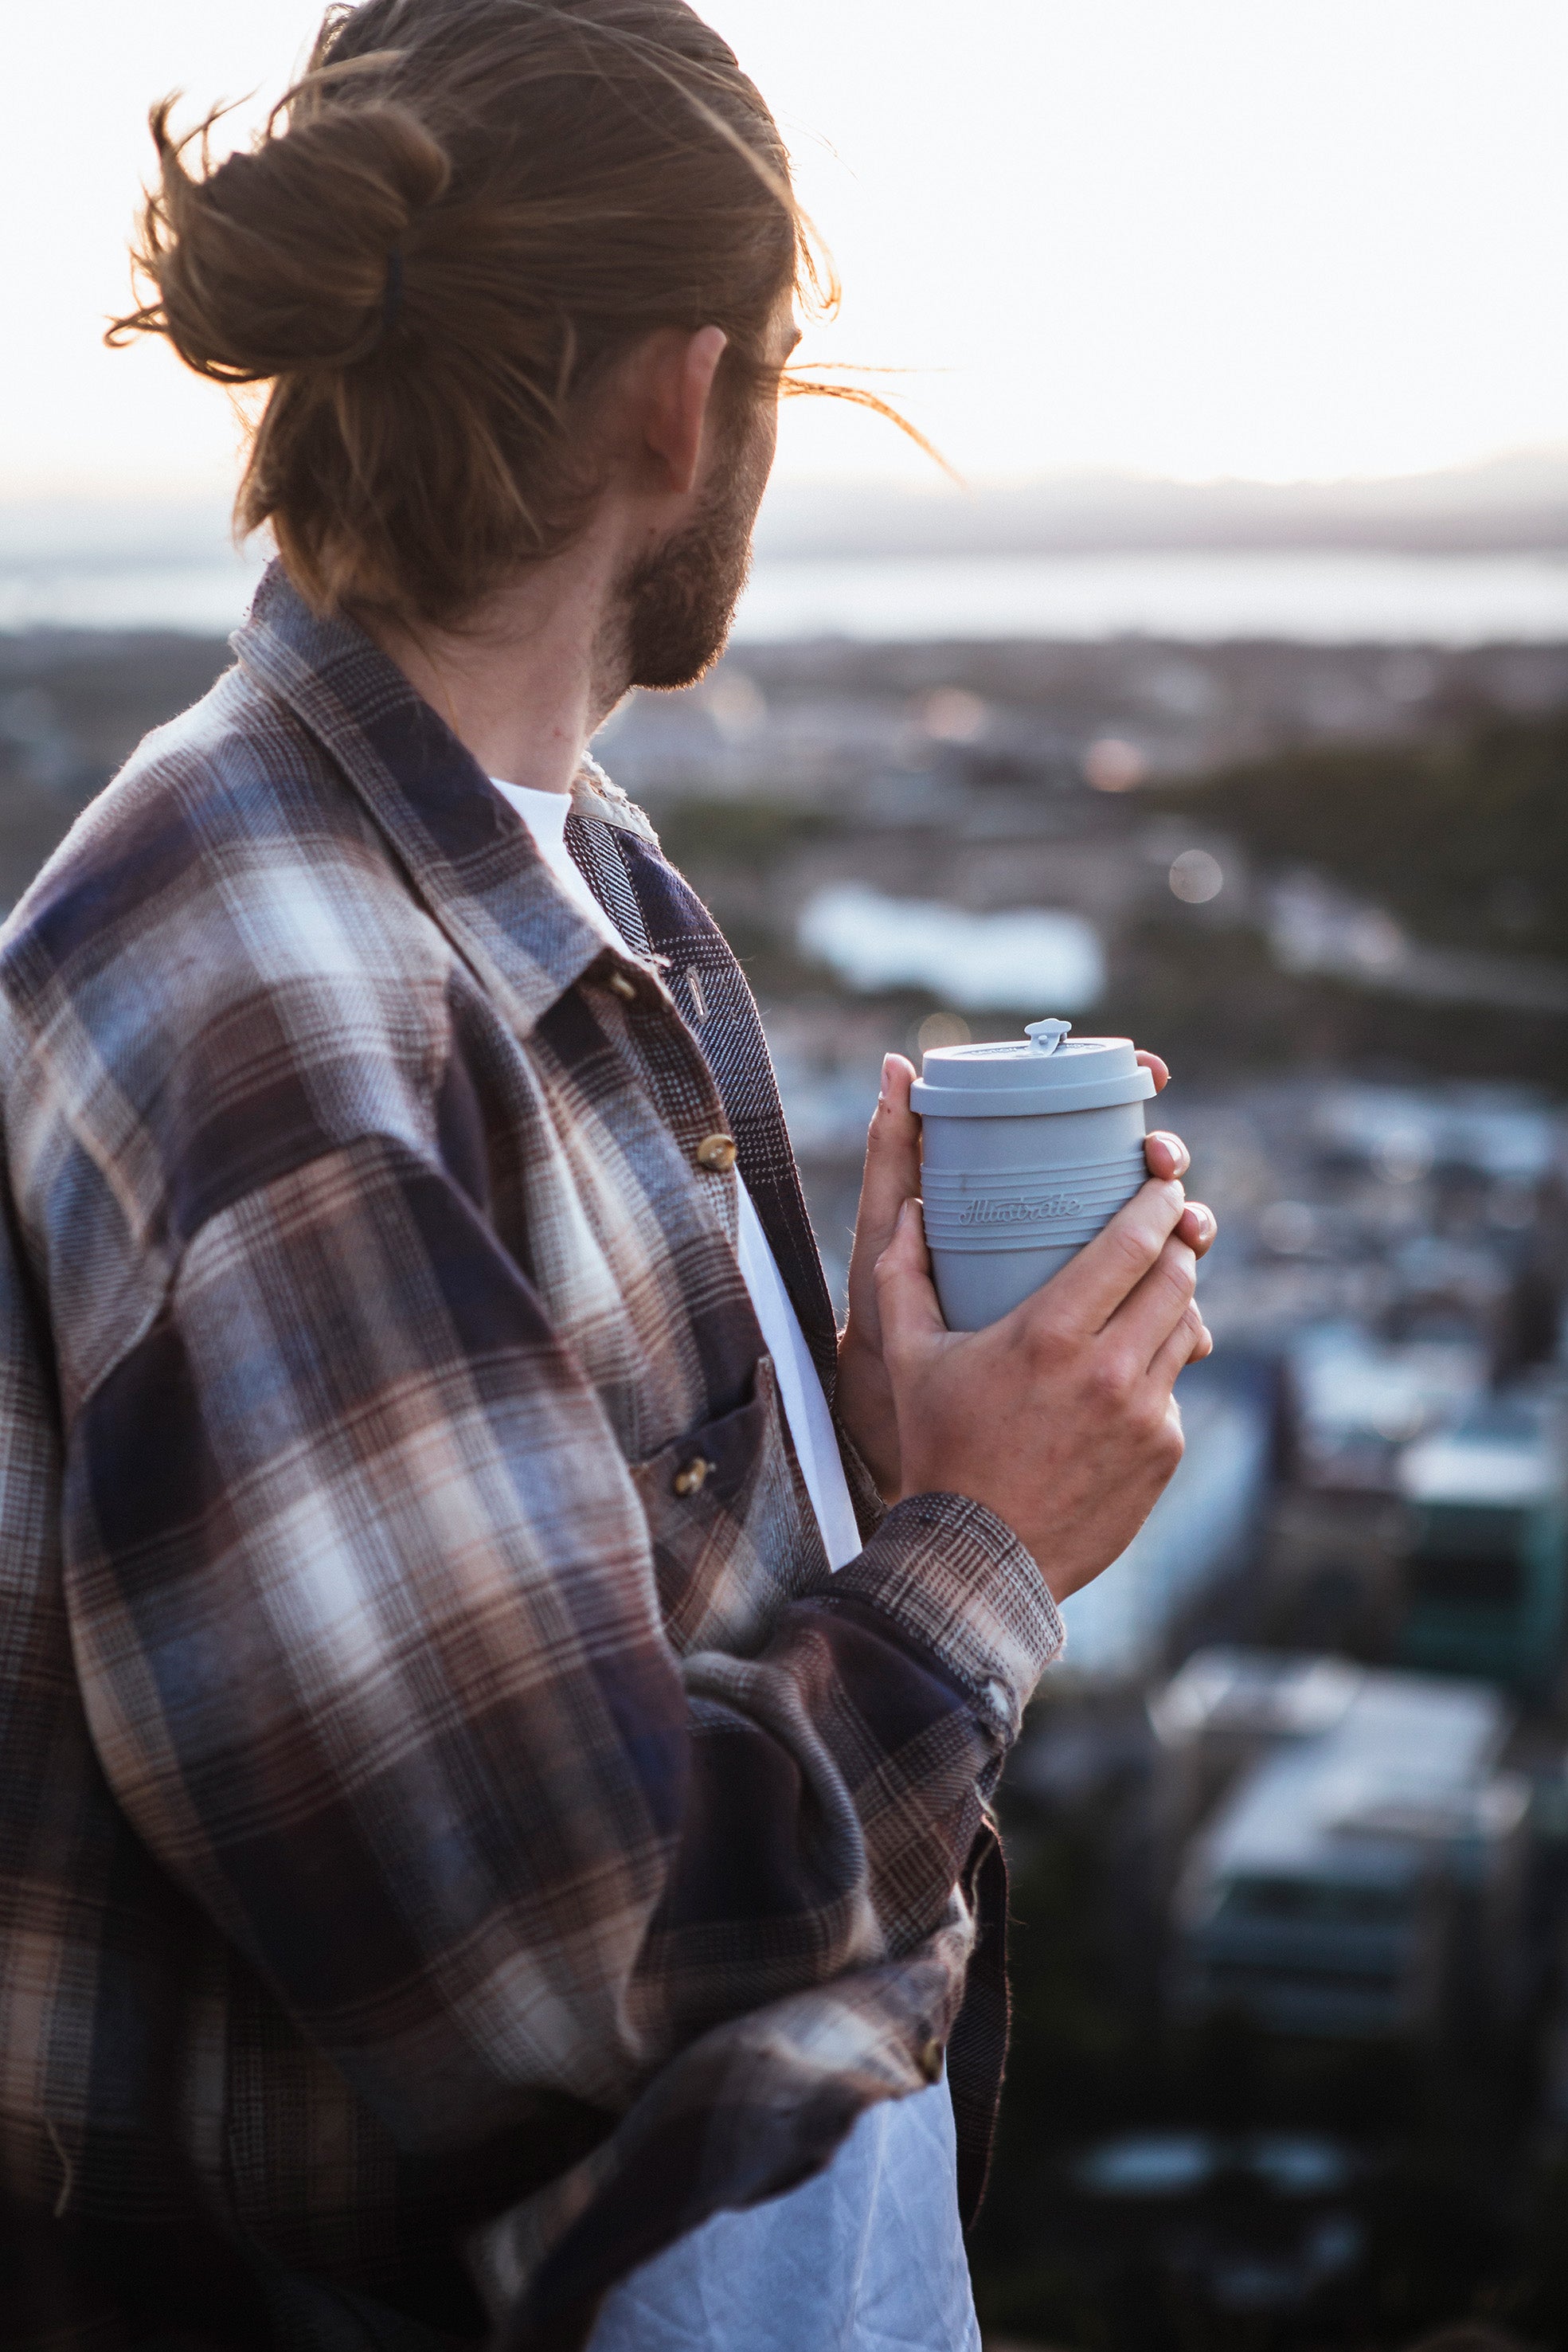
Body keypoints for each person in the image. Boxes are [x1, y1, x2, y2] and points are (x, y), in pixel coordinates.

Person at [0, 3, 1216, 2346]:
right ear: (687, 398)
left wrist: (864, 1456)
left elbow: (573, 1627)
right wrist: (985, 1557)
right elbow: (565, 1964)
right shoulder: (263, 993)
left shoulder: (572, 886)